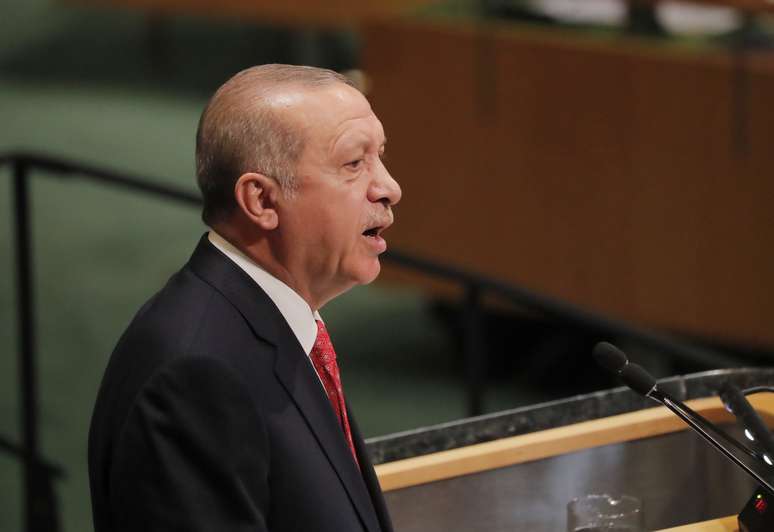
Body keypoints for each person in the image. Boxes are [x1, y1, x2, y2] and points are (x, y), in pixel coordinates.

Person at [88, 64, 401, 532]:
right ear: (261, 201)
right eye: (354, 164)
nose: (389, 188)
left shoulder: (279, 324)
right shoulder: (195, 375)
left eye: (379, 156)